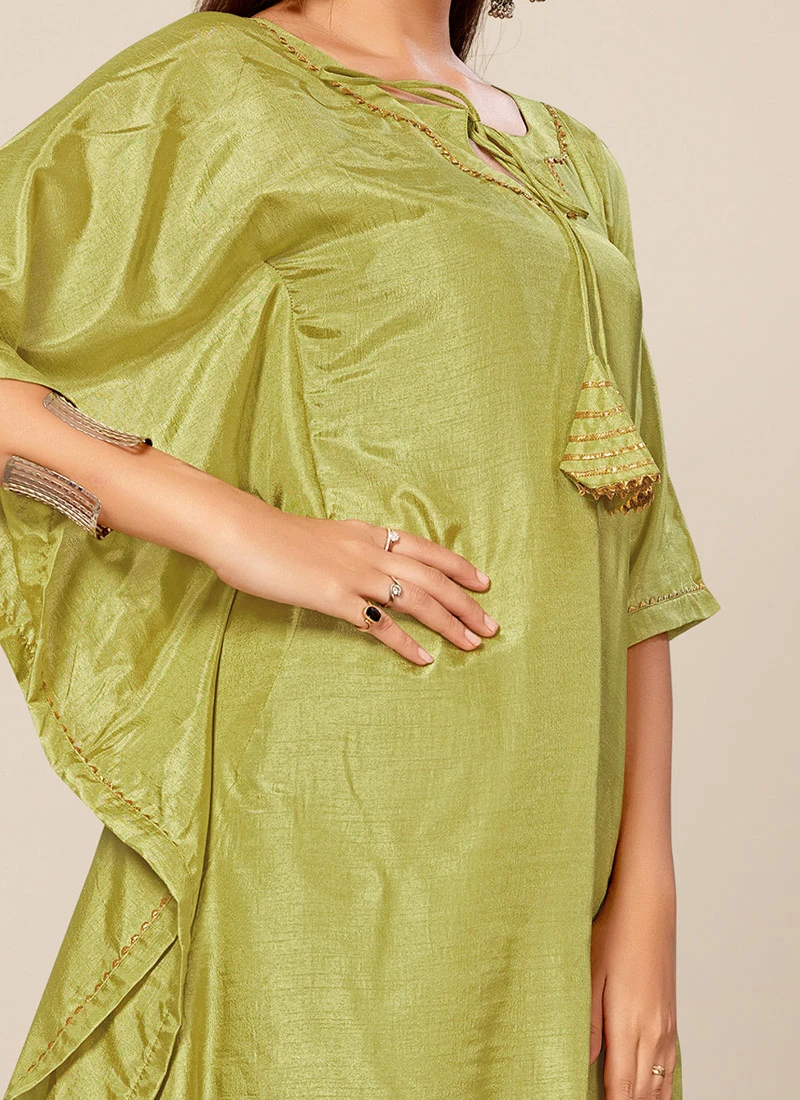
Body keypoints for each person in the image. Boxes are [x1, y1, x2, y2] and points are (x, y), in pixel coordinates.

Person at [0, 1, 720, 1097]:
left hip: (550, 844)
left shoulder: (576, 159)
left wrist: (647, 893)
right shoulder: (222, 83)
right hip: (330, 817)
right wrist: (239, 528)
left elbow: (638, 544)